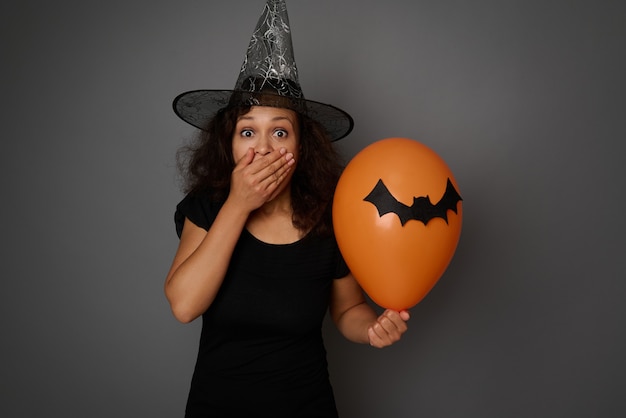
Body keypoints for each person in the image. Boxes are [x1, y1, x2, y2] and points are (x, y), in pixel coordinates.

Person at [165, 1, 409, 416]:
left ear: (301, 147)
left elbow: (348, 308)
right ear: (230, 144)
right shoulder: (206, 208)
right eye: (247, 131)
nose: (263, 147)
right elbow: (184, 305)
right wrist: (238, 206)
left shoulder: (330, 220)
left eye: (280, 131)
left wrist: (371, 328)